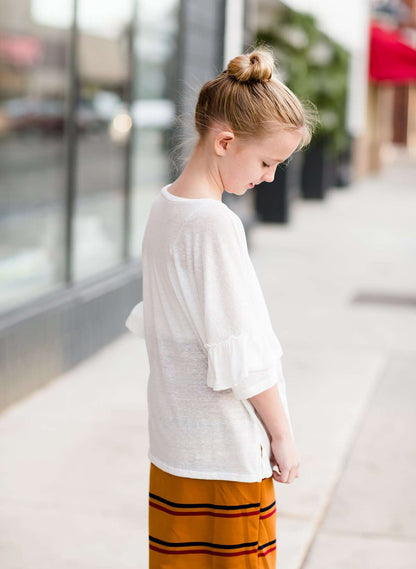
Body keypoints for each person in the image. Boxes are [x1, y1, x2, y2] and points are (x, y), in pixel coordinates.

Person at [125, 45, 318, 568]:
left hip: (175, 450)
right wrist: (283, 437)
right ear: (225, 141)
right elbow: (244, 354)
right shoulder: (214, 225)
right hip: (223, 459)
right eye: (266, 162)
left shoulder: (167, 207)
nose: (270, 178)